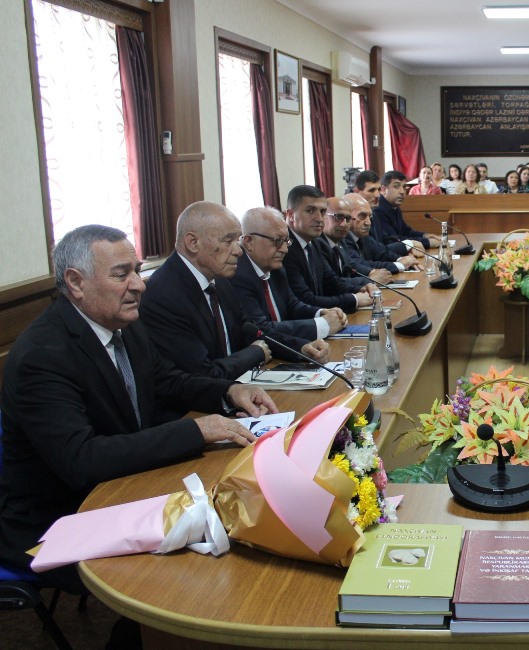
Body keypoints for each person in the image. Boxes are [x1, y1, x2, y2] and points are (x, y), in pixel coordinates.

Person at [0, 224, 274, 589]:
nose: (140, 284)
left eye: (137, 269)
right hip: (60, 516)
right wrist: (195, 430)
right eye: (121, 274)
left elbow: (167, 381)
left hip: (124, 486)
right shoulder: (42, 356)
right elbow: (82, 460)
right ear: (76, 283)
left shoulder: (123, 324)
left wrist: (228, 391)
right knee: (196, 574)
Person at [141, 202, 321, 380]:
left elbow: (250, 330)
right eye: (229, 241)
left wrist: (300, 348)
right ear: (193, 242)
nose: (238, 250)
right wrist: (256, 353)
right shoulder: (164, 295)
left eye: (237, 240)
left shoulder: (219, 278)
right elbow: (201, 372)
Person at [233, 207, 346, 350]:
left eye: (286, 241)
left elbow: (292, 304)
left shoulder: (276, 267)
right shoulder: (238, 274)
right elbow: (260, 329)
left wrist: (321, 312)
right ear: (249, 241)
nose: (285, 249)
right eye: (278, 241)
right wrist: (322, 325)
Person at [283, 184, 371, 315]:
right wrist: (354, 299)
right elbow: (306, 299)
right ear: (290, 214)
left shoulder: (315, 243)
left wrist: (361, 288)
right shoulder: (285, 248)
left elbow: (331, 281)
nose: (319, 219)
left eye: (322, 212)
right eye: (310, 211)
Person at [342, 194, 419, 275]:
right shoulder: (343, 238)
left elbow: (380, 252)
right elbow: (360, 265)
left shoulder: (362, 235)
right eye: (362, 216)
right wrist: (400, 265)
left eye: (369, 217)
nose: (368, 223)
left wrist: (402, 259)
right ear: (347, 217)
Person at [323, 196, 392, 285]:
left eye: (348, 219)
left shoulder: (340, 240)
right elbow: (332, 284)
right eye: (339, 217)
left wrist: (371, 273)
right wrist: (370, 280)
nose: (344, 224)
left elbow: (351, 265)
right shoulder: (318, 245)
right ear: (322, 216)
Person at [373, 171, 441, 249]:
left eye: (404, 187)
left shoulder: (395, 207)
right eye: (396, 186)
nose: (402, 192)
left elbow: (406, 231)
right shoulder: (378, 210)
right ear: (383, 190)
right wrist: (427, 242)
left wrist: (425, 235)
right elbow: (394, 239)